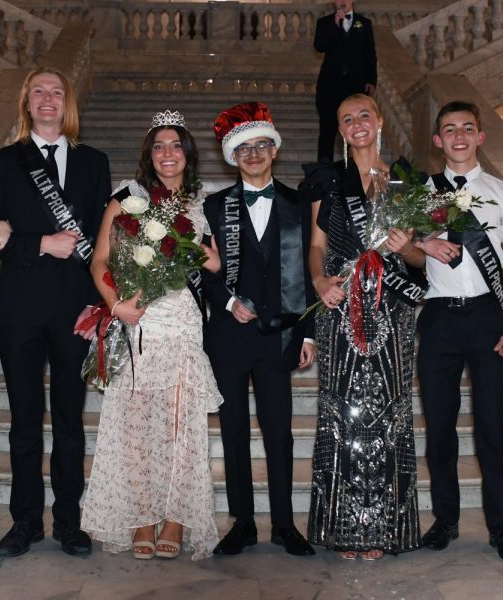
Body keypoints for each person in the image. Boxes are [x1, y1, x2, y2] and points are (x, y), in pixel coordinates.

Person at [0, 66, 111, 558]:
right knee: (25, 421)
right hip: (19, 311)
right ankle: (26, 521)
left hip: (76, 309)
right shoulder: (4, 161)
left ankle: (69, 523)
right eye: (39, 92)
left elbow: (104, 236)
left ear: (67, 103)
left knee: (71, 423)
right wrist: (40, 243)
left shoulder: (94, 161)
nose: (48, 99)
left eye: (57, 92)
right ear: (27, 103)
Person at [79, 110, 224, 561]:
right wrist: (114, 304)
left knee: (182, 425)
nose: (168, 154)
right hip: (138, 319)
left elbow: (216, 264)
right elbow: (99, 262)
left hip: (181, 318)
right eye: (159, 146)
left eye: (176, 145)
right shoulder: (126, 198)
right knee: (139, 428)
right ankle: (143, 516)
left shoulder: (205, 200)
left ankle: (177, 519)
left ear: (188, 153)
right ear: (149, 155)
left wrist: (194, 251)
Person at [302, 93, 425, 561]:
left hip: (391, 311)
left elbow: (417, 257)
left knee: (389, 415)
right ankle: (343, 529)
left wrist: (405, 247)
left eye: (363, 116)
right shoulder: (327, 181)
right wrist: (318, 282)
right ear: (339, 128)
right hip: (340, 305)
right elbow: (316, 246)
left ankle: (382, 529)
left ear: (379, 122)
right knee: (343, 415)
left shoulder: (406, 181)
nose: (356, 124)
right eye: (346, 118)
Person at [413, 100, 503, 563]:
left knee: (495, 430)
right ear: (438, 140)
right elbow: (394, 244)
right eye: (449, 129)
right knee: (440, 429)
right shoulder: (421, 192)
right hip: (440, 319)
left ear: (480, 136)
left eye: (467, 128)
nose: (459, 136)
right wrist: (424, 240)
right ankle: (446, 520)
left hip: (488, 318)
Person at [203, 102, 317, 557]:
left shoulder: (297, 203)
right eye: (243, 148)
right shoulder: (214, 206)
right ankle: (243, 523)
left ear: (275, 149)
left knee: (279, 432)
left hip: (280, 335)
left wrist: (308, 333)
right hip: (229, 338)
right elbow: (202, 271)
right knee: (232, 430)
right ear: (232, 156)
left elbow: (311, 270)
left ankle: (285, 524)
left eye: (261, 145)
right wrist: (228, 302)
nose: (253, 154)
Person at [314, 0, 377, 162]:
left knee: (354, 128)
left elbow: (370, 54)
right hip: (330, 85)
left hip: (355, 85)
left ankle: (354, 169)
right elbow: (319, 46)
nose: (342, 1)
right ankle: (324, 170)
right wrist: (334, 25)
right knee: (327, 130)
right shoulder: (324, 23)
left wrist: (372, 80)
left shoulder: (364, 23)